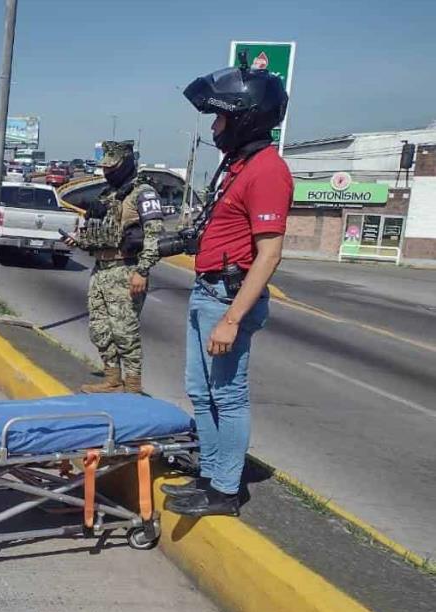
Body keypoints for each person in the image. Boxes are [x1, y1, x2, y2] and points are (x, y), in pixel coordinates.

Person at [162, 59, 292, 517]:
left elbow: (270, 253)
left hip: (227, 299)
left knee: (227, 395)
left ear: (244, 118)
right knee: (201, 392)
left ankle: (225, 489)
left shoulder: (268, 171)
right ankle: (211, 475)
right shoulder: (240, 165)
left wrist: (233, 319)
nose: (215, 127)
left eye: (220, 117)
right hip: (207, 290)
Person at [64, 140, 164, 394]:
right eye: (105, 167)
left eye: (112, 166)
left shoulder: (144, 193)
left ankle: (132, 386)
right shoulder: (107, 195)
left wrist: (142, 271)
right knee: (99, 328)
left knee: (125, 332)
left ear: (126, 163)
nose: (107, 172)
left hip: (126, 269)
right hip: (102, 268)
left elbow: (154, 235)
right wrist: (79, 240)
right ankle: (112, 379)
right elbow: (101, 233)